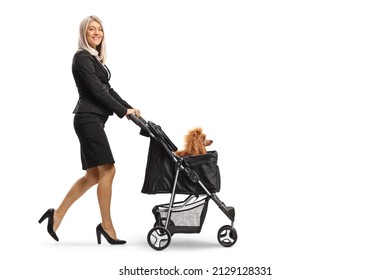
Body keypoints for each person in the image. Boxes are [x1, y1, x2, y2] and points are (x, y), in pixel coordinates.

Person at [38, 15, 140, 245]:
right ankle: (107, 226)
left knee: (94, 175)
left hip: (93, 120)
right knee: (109, 170)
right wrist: (123, 112)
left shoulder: (94, 59)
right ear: (83, 33)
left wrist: (129, 108)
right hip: (88, 119)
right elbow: (97, 91)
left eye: (100, 29)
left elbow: (108, 89)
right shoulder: (81, 57)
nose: (96, 33)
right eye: (91, 29)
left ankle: (57, 214)